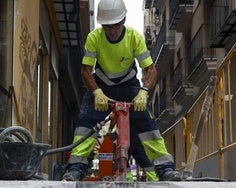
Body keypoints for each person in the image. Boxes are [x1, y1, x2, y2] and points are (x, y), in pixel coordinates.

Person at [62, 0, 181, 181]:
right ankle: (76, 168)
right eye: (107, 27)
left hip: (129, 87)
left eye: (115, 26)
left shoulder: (134, 37)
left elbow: (151, 69)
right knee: (85, 122)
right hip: (101, 86)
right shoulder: (94, 38)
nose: (111, 30)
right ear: (102, 25)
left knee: (148, 124)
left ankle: (164, 168)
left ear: (124, 20)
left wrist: (143, 92)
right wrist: (96, 92)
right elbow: (86, 71)